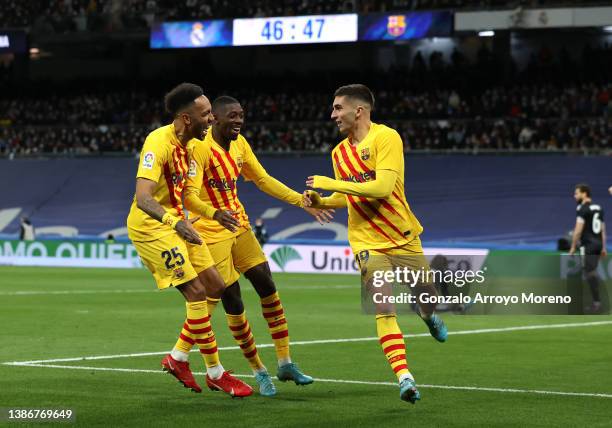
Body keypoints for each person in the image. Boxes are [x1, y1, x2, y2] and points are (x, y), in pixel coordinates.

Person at [303, 84, 447, 404]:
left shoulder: (387, 137)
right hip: (366, 240)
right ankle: (404, 378)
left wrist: (329, 183)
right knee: (383, 304)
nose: (332, 115)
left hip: (402, 235)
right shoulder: (339, 152)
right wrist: (323, 199)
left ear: (359, 110)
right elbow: (349, 194)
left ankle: (427, 316)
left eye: (338, 108)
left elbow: (382, 187)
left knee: (427, 298)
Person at [183, 95, 333, 397]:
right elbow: (189, 195)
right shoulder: (198, 149)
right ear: (216, 119)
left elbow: (262, 179)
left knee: (267, 283)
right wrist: (210, 214)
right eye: (233, 116)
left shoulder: (240, 146)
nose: (239, 121)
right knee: (234, 302)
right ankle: (259, 371)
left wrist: (300, 201)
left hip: (239, 225)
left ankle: (285, 361)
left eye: (242, 115)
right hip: (210, 233)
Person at [126, 83, 252, 397]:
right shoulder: (158, 142)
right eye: (206, 113)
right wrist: (174, 222)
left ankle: (179, 357)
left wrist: (213, 213)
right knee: (197, 292)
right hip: (152, 227)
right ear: (185, 119)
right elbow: (143, 198)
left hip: (180, 223)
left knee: (215, 286)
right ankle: (216, 372)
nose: (211, 119)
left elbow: (187, 196)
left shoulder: (195, 145)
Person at [569, 183, 607, 313]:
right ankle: (598, 301)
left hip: (588, 245)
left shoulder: (582, 209)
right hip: (598, 244)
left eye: (576, 193)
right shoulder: (599, 208)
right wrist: (603, 247)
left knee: (590, 273)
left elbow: (578, 230)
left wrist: (573, 246)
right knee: (591, 271)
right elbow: (602, 229)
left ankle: (598, 303)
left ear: (584, 193)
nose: (575, 196)